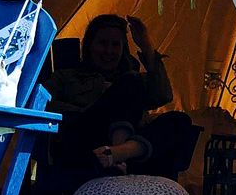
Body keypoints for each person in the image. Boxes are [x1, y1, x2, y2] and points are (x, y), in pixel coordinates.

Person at [45, 14, 173, 176]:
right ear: (90, 45)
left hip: (127, 147)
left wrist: (147, 47)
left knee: (178, 121)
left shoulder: (132, 80)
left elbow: (164, 96)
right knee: (130, 80)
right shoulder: (67, 76)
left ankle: (117, 154)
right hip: (89, 138)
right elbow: (41, 102)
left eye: (115, 45)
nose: (109, 51)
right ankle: (116, 157)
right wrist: (95, 106)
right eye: (102, 43)